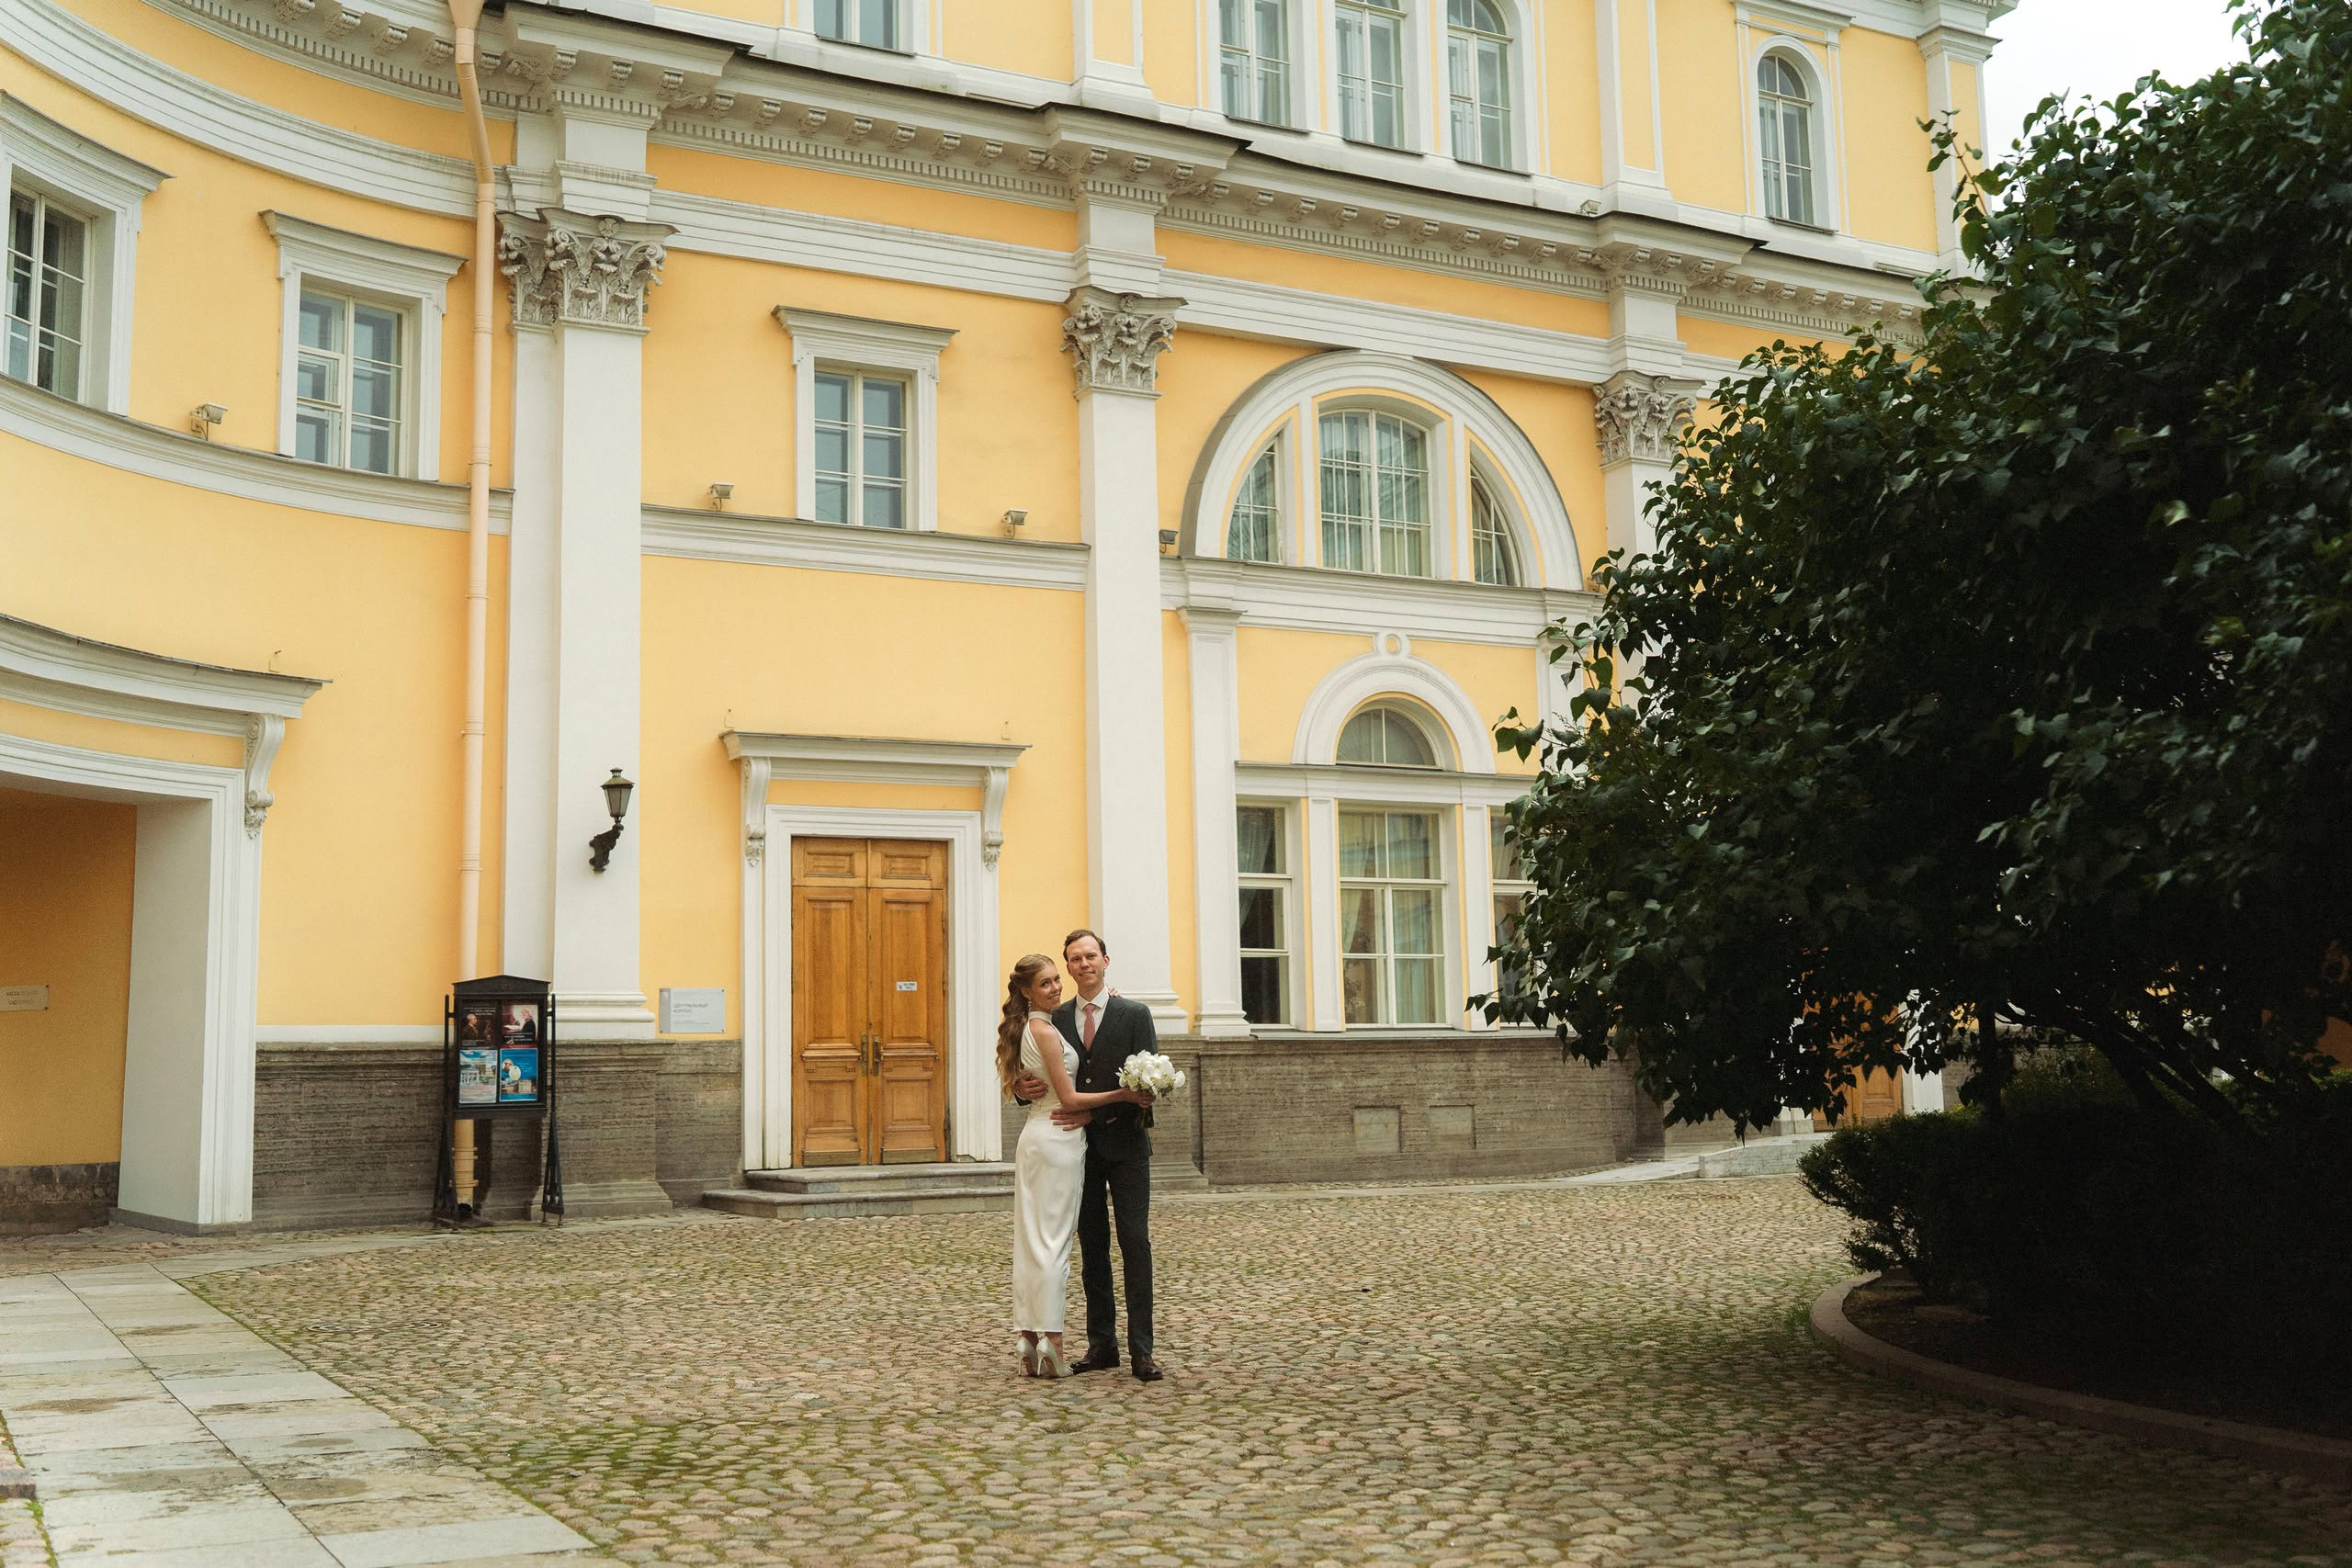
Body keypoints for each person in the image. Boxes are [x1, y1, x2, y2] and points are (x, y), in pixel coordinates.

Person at [1015, 929, 1164, 1382]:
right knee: (1092, 1249)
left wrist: (1093, 1116)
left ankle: (1142, 1350)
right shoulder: (1053, 1018)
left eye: (1090, 956)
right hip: (1076, 1152)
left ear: (1105, 960)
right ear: (1068, 966)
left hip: (1125, 1148)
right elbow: (1039, 1076)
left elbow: (1148, 1088)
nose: (1083, 965)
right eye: (1074, 959)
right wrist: (1021, 1090)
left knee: (1134, 1243)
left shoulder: (1134, 1014)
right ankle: (1102, 1345)